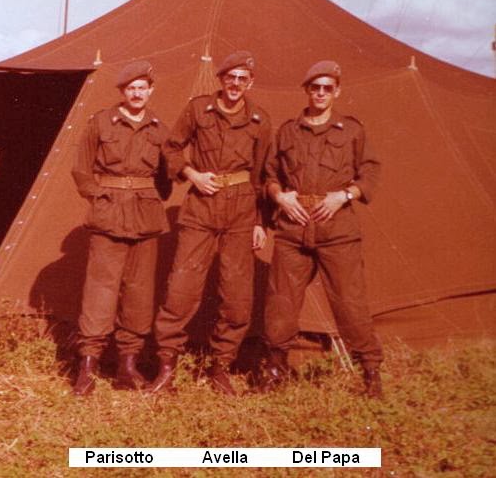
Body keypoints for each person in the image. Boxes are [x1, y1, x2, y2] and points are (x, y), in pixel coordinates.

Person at [148, 51, 272, 395]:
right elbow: (172, 149)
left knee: (236, 294)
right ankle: (167, 368)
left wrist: (260, 222)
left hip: (242, 208)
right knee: (181, 288)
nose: (236, 84)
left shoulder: (260, 119)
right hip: (201, 205)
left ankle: (221, 367)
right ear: (221, 79)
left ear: (250, 83)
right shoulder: (198, 109)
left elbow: (263, 174)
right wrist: (193, 175)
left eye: (243, 79)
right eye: (231, 77)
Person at [260, 61, 383, 398]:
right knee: (281, 301)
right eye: (315, 87)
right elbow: (270, 175)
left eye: (328, 88)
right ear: (306, 90)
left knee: (350, 300)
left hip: (336, 226)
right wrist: (280, 197)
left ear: (337, 91)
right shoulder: (288, 132)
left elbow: (370, 172)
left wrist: (345, 195)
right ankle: (275, 370)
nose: (320, 93)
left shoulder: (351, 130)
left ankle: (371, 372)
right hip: (294, 225)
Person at [70, 60, 170, 396]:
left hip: (145, 216)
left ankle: (128, 366)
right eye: (131, 88)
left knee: (139, 292)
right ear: (122, 92)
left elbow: (166, 178)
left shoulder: (159, 128)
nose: (137, 94)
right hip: (109, 214)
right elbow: (81, 169)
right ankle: (87, 367)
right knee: (100, 290)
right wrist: (99, 197)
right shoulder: (101, 122)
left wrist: (147, 198)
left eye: (142, 88)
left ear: (151, 91)